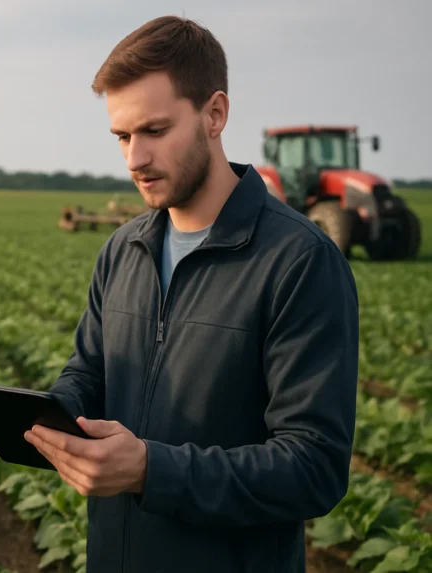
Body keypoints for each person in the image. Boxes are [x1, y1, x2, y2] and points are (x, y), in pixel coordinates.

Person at [24, 15, 358, 573]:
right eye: (123, 136)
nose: (134, 158)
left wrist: (151, 470)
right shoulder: (122, 250)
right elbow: (88, 371)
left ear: (215, 114)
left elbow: (314, 468)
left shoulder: (299, 263)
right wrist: (58, 417)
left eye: (154, 131)